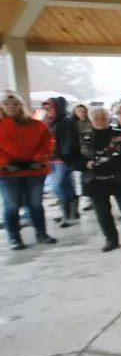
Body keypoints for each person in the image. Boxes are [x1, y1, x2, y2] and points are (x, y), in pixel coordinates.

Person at [74, 107, 121, 252]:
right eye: (96, 118)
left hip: (120, 178)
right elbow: (71, 156)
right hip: (94, 180)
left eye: (104, 118)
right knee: (102, 213)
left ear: (109, 119)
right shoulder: (82, 137)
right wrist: (84, 164)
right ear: (91, 120)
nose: (100, 122)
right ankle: (111, 239)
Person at [0, 91, 57, 250]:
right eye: (7, 104)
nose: (11, 107)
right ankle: (14, 237)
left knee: (35, 204)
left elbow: (48, 142)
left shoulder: (36, 125)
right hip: (8, 171)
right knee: (11, 205)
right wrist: (5, 162)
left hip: (34, 170)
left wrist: (38, 159)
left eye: (15, 104)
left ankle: (41, 233)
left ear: (21, 106)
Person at [43, 96, 79, 227]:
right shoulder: (47, 121)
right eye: (46, 108)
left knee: (57, 186)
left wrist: (64, 155)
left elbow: (69, 141)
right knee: (65, 185)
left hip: (62, 159)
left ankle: (67, 215)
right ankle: (71, 213)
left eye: (50, 107)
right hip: (50, 158)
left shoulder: (66, 122)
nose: (47, 110)